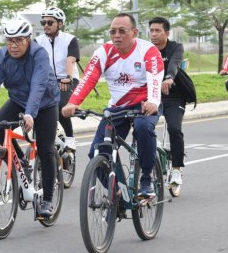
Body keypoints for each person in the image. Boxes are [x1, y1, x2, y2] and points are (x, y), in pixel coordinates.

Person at [62, 13, 164, 197]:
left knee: (143, 128)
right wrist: (72, 102)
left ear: (135, 32)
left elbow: (155, 78)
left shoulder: (148, 51)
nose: (116, 35)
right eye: (112, 31)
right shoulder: (104, 52)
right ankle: (118, 192)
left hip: (144, 106)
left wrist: (153, 101)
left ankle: (147, 178)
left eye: (122, 31)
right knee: (96, 153)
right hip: (117, 108)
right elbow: (88, 79)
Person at [0, 20, 60, 217]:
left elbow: (38, 86)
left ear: (28, 40)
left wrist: (30, 114)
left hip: (45, 103)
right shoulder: (1, 58)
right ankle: (22, 161)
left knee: (45, 148)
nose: (13, 45)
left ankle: (47, 199)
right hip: (18, 100)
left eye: (19, 40)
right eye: (9, 40)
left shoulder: (39, 55)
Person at [35, 6, 80, 151]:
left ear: (60, 24)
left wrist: (67, 77)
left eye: (50, 22)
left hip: (67, 79)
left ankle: (70, 137)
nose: (45, 26)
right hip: (47, 81)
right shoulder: (38, 41)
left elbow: (70, 61)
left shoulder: (70, 40)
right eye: (43, 23)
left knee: (59, 104)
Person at [148, 16, 186, 187]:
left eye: (158, 31)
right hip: (152, 96)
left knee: (174, 128)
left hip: (173, 96)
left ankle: (177, 169)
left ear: (167, 33)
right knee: (142, 128)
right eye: (151, 30)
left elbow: (175, 63)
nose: (154, 34)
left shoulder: (175, 47)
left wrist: (169, 77)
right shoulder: (146, 49)